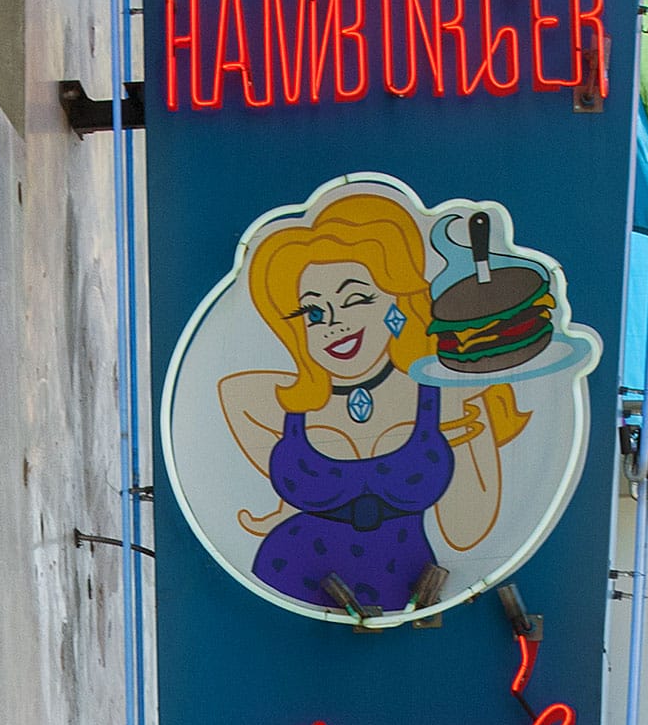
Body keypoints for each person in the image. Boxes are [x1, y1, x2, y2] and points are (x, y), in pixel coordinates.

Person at [218, 193, 529, 613]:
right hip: (287, 579)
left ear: (399, 303)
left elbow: (466, 532)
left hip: (411, 588)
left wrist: (461, 417)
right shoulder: (275, 399)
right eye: (312, 312)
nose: (334, 323)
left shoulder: (445, 393)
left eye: (357, 299)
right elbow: (228, 395)